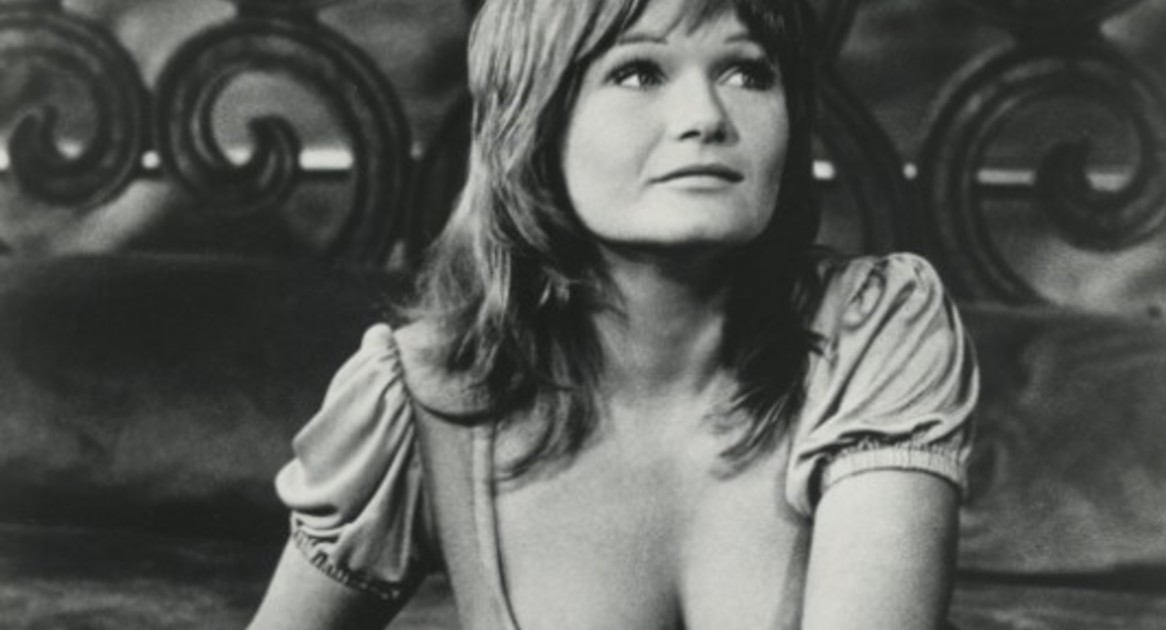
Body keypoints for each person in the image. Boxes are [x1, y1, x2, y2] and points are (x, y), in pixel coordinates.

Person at [248, 0, 978, 628]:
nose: (706, 117)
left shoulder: (876, 329)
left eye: (747, 72)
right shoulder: (420, 401)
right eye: (639, 72)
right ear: (536, 119)